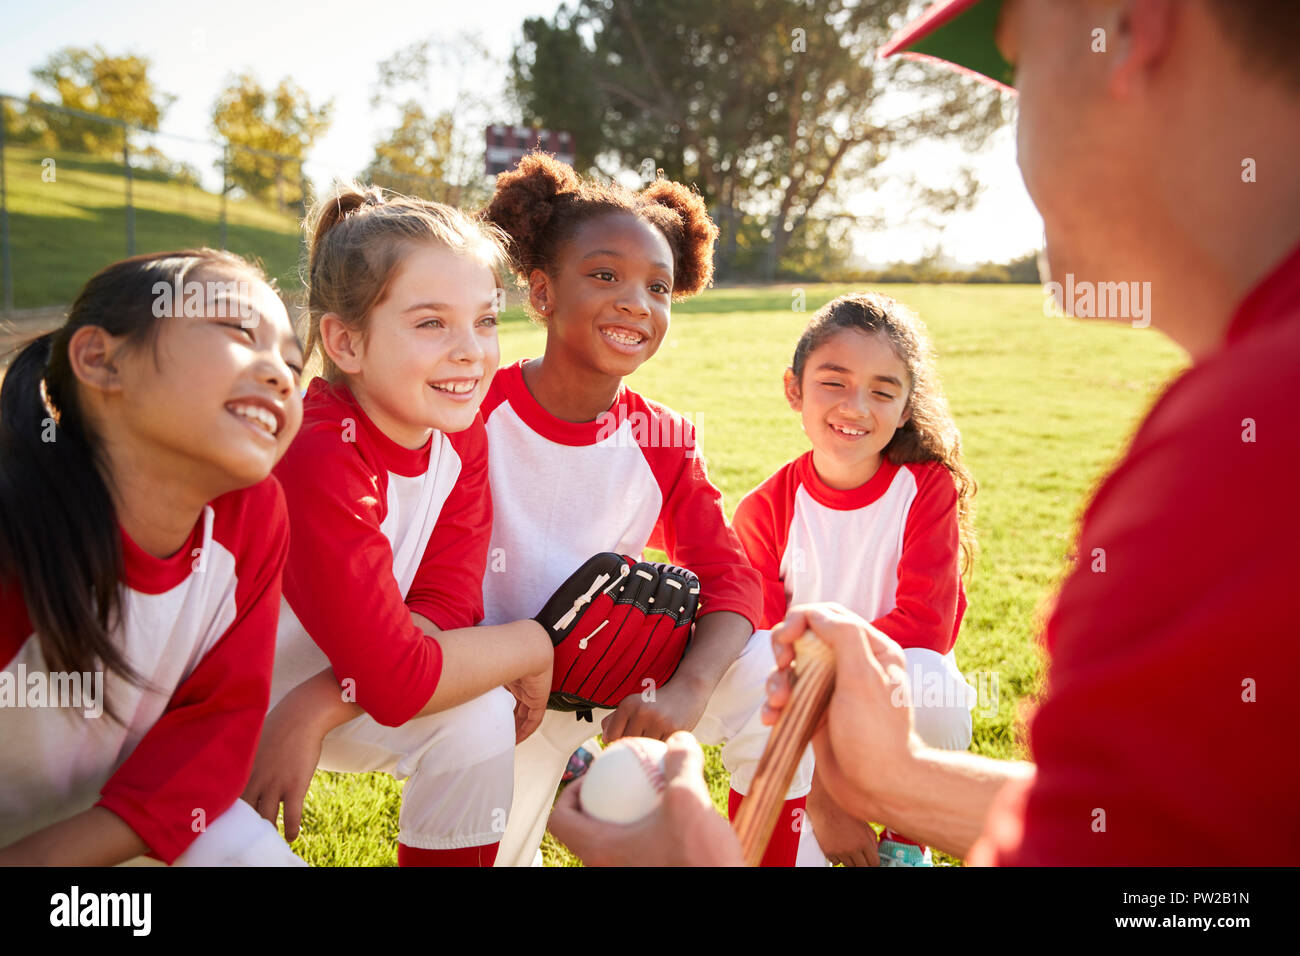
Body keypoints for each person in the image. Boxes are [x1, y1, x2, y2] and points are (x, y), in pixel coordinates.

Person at [548, 0, 1300, 866]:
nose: (1017, 138)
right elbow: (1168, 849)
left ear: (1126, 31)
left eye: (1019, 73)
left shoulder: (1243, 453)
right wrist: (893, 780)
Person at [481, 154, 813, 867]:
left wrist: (689, 688)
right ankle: (554, 782)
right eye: (605, 276)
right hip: (487, 693)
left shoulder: (662, 436)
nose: (636, 302)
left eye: (657, 287)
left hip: (609, 682)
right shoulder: (472, 409)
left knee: (774, 679)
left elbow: (732, 581)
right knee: (497, 847)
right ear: (541, 292)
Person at [242, 184, 553, 867]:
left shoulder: (458, 434)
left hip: (327, 696)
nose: (471, 351)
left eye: (486, 320)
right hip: (203, 712)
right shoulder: (318, 453)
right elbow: (393, 676)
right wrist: (531, 643)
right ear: (345, 342)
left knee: (475, 716)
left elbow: (445, 608)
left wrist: (315, 707)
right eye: (432, 323)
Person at [0, 249, 307, 866]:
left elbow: (217, 726)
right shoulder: (20, 534)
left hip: (117, 827)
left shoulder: (254, 514)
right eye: (238, 332)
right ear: (101, 360)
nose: (279, 373)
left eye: (294, 367)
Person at [731, 291, 976, 866]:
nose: (856, 407)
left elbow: (924, 628)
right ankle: (797, 807)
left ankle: (904, 834)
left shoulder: (925, 488)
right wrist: (823, 797)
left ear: (907, 407)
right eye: (833, 382)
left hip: (893, 695)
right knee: (758, 679)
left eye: (883, 391)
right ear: (794, 389)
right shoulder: (764, 511)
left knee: (928, 680)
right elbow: (770, 659)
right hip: (799, 717)